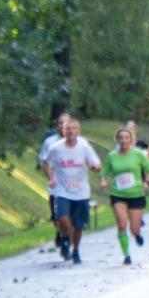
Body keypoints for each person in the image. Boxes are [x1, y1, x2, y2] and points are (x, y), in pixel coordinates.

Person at [43, 117, 102, 265]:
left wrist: (94, 168)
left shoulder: (84, 146)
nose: (70, 131)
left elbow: (97, 164)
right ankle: (64, 238)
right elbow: (46, 163)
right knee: (62, 219)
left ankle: (75, 250)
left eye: (73, 128)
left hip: (81, 192)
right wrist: (50, 178)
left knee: (78, 225)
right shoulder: (55, 148)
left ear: (78, 131)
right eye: (67, 128)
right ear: (63, 131)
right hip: (62, 191)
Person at [100, 126, 149, 265]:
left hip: (136, 194)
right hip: (118, 194)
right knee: (122, 223)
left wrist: (146, 182)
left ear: (131, 140)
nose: (124, 140)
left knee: (134, 228)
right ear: (117, 140)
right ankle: (126, 255)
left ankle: (136, 234)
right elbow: (105, 171)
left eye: (126, 138)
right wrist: (104, 181)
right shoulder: (112, 155)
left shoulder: (138, 154)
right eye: (121, 138)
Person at [38, 112, 71, 256]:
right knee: (59, 218)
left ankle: (66, 241)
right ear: (56, 126)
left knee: (72, 219)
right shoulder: (49, 142)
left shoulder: (79, 141)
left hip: (75, 187)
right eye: (60, 123)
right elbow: (44, 162)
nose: (63, 127)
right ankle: (62, 234)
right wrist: (51, 178)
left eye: (66, 123)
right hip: (57, 188)